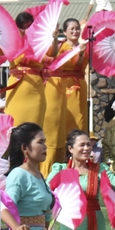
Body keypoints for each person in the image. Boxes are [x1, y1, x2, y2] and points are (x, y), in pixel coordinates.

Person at [44, 18, 88, 165]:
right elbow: (71, 63)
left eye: (77, 29)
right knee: (66, 121)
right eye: (72, 29)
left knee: (80, 120)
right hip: (65, 85)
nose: (75, 31)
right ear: (65, 32)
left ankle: (79, 157)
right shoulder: (60, 47)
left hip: (80, 85)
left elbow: (81, 66)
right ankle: (64, 156)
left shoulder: (84, 46)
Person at [1, 10, 48, 134]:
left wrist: (53, 38)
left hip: (35, 88)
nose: (26, 30)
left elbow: (52, 53)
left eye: (29, 27)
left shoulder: (40, 42)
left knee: (34, 128)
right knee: (14, 126)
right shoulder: (11, 41)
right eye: (23, 27)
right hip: (16, 86)